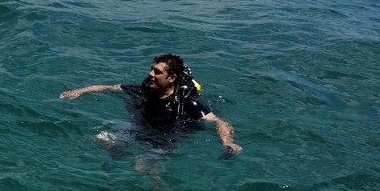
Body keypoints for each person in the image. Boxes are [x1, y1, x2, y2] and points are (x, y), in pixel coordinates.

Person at [59, 53, 243, 157]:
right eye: (151, 69)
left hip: (166, 138)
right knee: (96, 139)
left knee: (144, 167)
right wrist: (80, 91)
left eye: (157, 72)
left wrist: (228, 142)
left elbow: (219, 121)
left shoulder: (188, 102)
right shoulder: (145, 90)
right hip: (140, 127)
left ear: (171, 78)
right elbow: (109, 88)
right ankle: (111, 173)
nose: (151, 74)